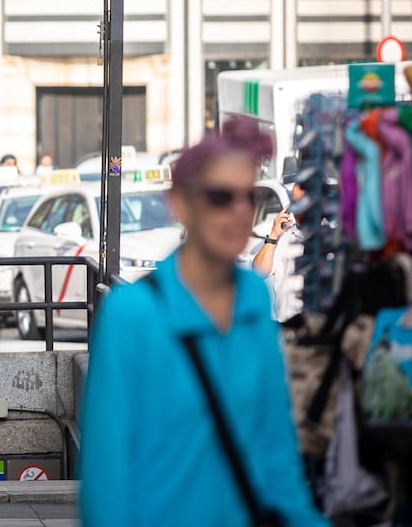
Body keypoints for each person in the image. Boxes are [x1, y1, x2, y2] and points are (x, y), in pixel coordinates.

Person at [79, 118, 326, 526]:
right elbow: (106, 482)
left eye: (248, 196)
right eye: (220, 196)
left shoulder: (253, 297)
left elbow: (277, 456)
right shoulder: (131, 315)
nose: (240, 211)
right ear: (180, 204)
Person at [252, 181, 306, 323]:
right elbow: (259, 272)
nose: (297, 208)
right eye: (294, 201)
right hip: (284, 324)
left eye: (301, 201)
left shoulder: (327, 237)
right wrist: (274, 235)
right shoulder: (284, 234)